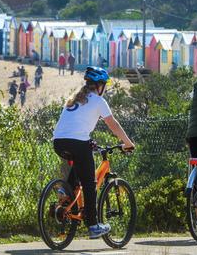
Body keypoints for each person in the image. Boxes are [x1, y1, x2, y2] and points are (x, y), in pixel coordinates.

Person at [52, 67, 135, 239]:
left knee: (79, 164)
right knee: (90, 184)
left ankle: (65, 193)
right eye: (104, 85)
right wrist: (127, 143)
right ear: (100, 86)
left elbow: (74, 125)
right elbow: (113, 124)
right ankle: (93, 225)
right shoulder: (98, 101)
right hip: (77, 142)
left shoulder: (74, 99)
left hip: (59, 142)